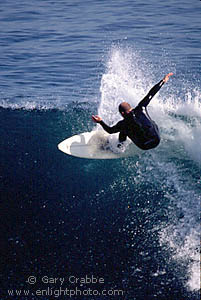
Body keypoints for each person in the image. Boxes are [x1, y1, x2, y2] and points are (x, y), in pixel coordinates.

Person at [92, 73, 173, 150]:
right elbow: (151, 94)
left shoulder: (123, 124)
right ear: (130, 107)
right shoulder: (141, 107)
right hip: (157, 139)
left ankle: (120, 146)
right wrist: (163, 81)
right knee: (152, 123)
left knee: (123, 130)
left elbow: (110, 130)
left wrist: (100, 121)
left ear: (122, 113)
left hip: (144, 145)